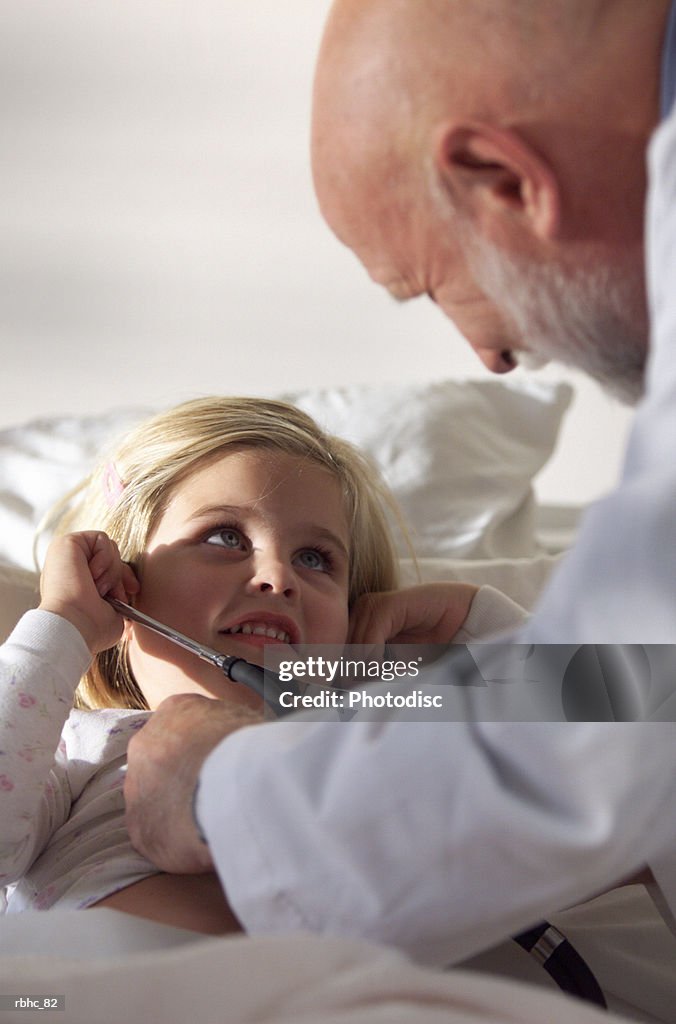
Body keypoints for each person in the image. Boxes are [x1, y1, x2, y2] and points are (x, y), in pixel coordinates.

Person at [123, 0, 676, 972]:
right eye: (218, 537)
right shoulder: (63, 756)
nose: (491, 358)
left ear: (504, 179)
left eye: (432, 282)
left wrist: (223, 788)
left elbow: (616, 753)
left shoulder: (375, 715)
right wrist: (504, 646)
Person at [1, 393, 492, 932]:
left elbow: (592, 728)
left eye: (314, 558)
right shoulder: (77, 746)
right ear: (120, 587)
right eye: (225, 536)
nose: (279, 576)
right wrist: (65, 623)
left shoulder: (375, 724)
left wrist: (475, 624)